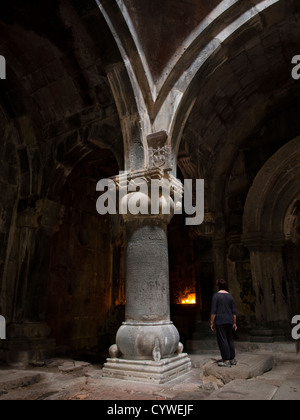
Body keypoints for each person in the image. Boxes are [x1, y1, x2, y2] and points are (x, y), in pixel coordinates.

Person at [210, 279, 237, 368]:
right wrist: (235, 323)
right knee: (230, 339)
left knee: (223, 340)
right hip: (229, 320)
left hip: (220, 320)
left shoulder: (216, 296)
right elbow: (234, 312)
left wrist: (211, 322)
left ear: (218, 286)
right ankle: (232, 358)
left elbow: (213, 311)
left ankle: (226, 360)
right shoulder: (230, 296)